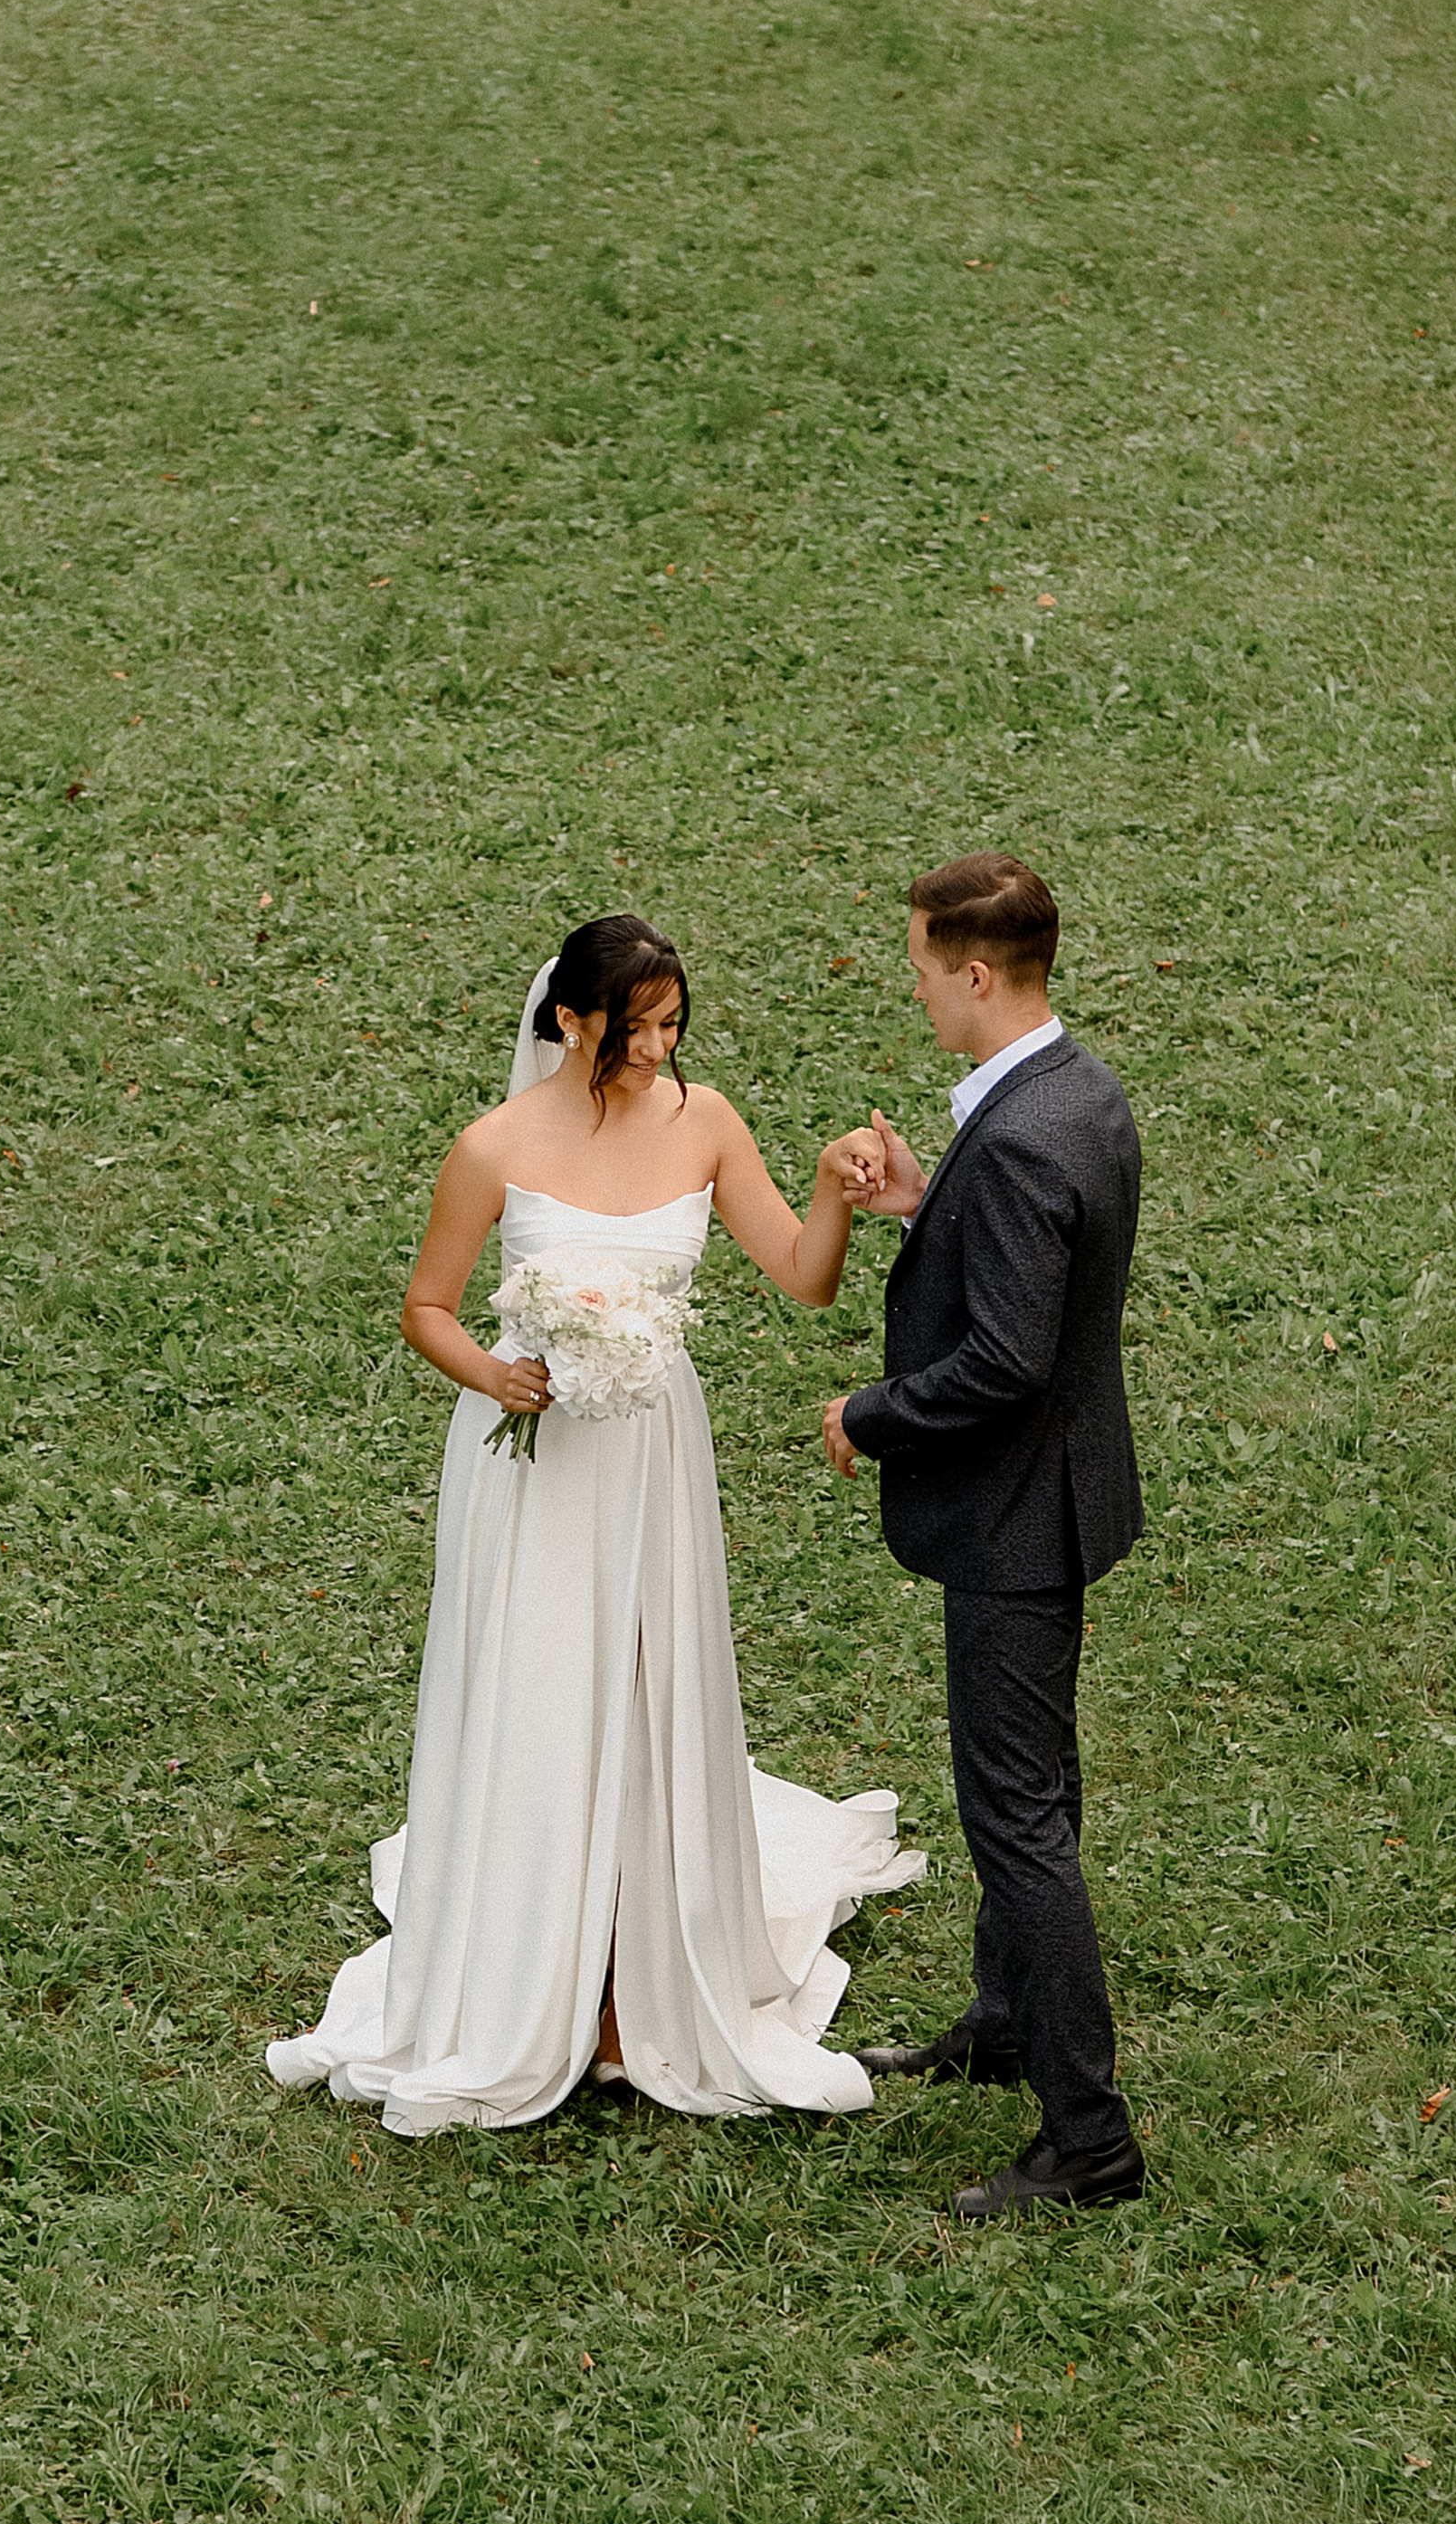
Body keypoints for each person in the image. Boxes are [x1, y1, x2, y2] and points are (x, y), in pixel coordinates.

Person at [267, 914, 922, 2138]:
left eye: (673, 1026)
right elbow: (427, 1307)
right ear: (570, 1021)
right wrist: (497, 1375)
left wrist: (836, 1195)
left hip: (651, 1453)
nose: (659, 1050)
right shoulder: (495, 1145)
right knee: (540, 1686)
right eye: (637, 1030)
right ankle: (532, 1962)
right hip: (530, 1463)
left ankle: (640, 1974)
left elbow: (803, 1273)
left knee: (642, 1680)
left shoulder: (706, 1122)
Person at [821, 853, 1147, 2222]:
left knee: (1015, 1817)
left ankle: (1090, 2140)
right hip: (1063, 1496)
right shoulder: (1079, 1091)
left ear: (973, 971)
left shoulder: (1014, 1136)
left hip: (1014, 1515)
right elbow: (1037, 1272)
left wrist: (870, 1412)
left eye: (920, 967)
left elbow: (1007, 1360)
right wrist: (924, 1208)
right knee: (1038, 1790)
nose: (915, 988)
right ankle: (1008, 2024)